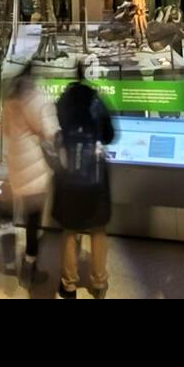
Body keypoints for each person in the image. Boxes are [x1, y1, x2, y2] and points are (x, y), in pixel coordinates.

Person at [51, 61, 116, 298]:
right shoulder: (96, 100)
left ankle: (69, 283)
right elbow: (110, 134)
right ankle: (99, 282)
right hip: (95, 171)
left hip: (69, 170)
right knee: (98, 228)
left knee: (69, 228)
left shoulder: (64, 100)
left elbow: (55, 129)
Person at [1, 61, 58, 287]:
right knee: (34, 222)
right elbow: (50, 132)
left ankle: (9, 263)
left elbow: (5, 130)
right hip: (34, 169)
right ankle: (30, 265)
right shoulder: (37, 99)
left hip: (15, 164)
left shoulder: (10, 100)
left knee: (18, 217)